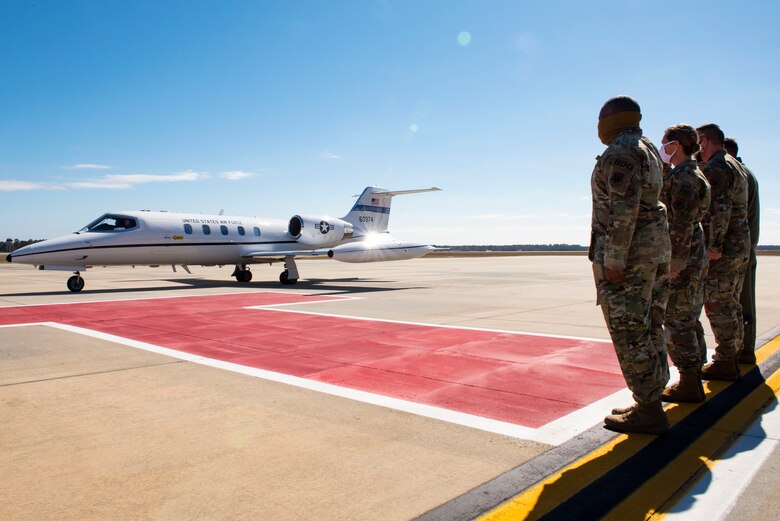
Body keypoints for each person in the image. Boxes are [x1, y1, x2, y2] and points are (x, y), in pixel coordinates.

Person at [589, 96, 671, 434]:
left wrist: (614, 260)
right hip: (653, 252)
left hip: (631, 257)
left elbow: (624, 210)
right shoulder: (648, 147)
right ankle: (649, 397)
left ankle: (649, 410)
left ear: (610, 120)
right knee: (650, 327)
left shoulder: (621, 152)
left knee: (629, 332)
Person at [657, 125, 711, 403]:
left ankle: (689, 382)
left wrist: (674, 262)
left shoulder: (685, 178)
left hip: (683, 259)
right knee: (688, 319)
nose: (662, 146)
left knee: (677, 321)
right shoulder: (689, 174)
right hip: (693, 256)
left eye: (665, 142)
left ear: (676, 144)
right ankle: (694, 375)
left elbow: (680, 224)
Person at [697, 124, 751, 380]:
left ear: (705, 141)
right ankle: (732, 355)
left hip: (725, 248)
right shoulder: (734, 164)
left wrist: (714, 246)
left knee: (719, 305)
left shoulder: (716, 167)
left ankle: (725, 361)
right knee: (731, 303)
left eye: (698, 142)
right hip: (739, 244)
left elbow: (720, 209)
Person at [724, 137, 760, 364]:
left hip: (736, 251)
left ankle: (743, 350)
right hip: (744, 249)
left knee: (737, 304)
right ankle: (743, 349)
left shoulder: (736, 174)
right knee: (742, 302)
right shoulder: (745, 173)